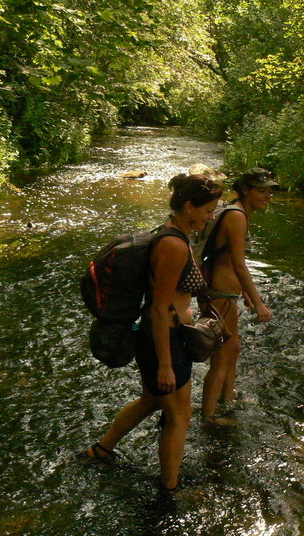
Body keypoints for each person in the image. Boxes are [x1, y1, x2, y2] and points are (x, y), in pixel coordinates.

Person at [80, 174, 222, 491]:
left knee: (151, 401)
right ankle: (169, 489)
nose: (211, 217)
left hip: (160, 335)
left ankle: (100, 450)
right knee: (179, 416)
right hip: (165, 338)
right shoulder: (172, 244)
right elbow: (160, 308)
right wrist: (166, 364)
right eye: (208, 210)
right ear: (189, 206)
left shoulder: (175, 235)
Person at [200, 167, 276, 425]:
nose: (268, 197)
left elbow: (228, 259)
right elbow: (240, 264)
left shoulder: (238, 212)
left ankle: (228, 399)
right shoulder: (237, 216)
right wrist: (258, 302)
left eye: (270, 192)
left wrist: (243, 292)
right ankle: (208, 417)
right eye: (262, 191)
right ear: (246, 190)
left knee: (233, 349)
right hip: (219, 293)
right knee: (221, 357)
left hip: (225, 292)